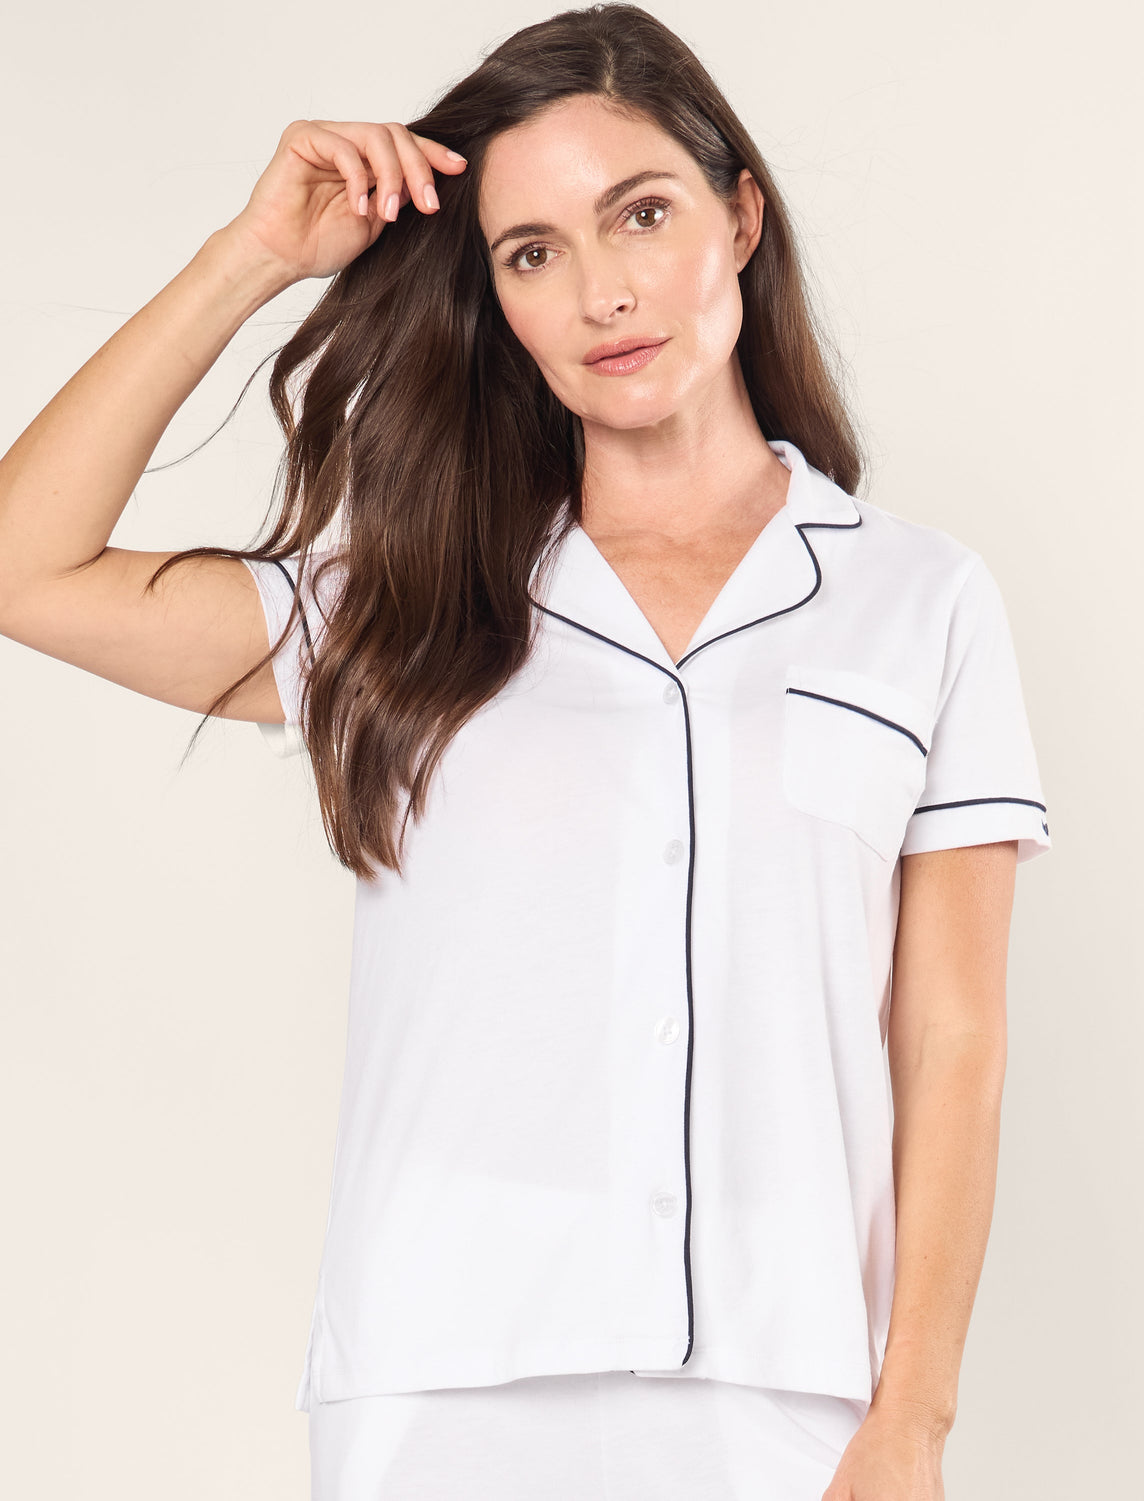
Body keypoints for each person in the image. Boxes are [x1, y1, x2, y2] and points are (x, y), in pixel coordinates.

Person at [0, 5, 1051, 1499]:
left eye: (642, 213)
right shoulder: (403, 598)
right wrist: (252, 258)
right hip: (436, 1384)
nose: (604, 292)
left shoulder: (917, 602)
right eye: (532, 252)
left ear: (740, 215)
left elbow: (953, 1042)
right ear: (495, 296)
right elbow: (23, 565)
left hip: (787, 1394)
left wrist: (913, 1422)